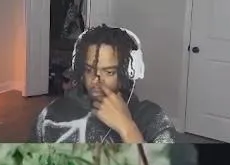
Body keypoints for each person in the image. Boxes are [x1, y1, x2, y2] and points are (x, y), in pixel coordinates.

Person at [32, 24, 176, 143]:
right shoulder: (52, 115)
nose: (96, 80)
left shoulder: (151, 118)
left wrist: (128, 129)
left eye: (109, 72)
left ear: (128, 72)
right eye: (89, 70)